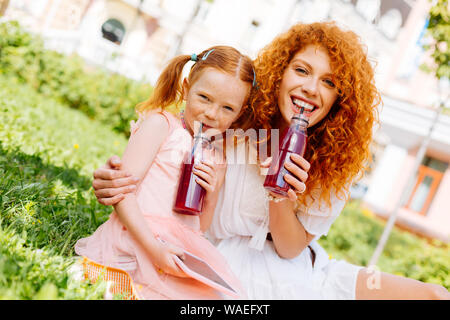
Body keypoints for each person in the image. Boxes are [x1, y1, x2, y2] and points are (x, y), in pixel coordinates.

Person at [90, 22, 450, 299]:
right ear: (280, 74)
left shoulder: (333, 164)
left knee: (436, 294)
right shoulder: (235, 124)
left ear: (340, 99)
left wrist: (283, 197)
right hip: (240, 270)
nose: (311, 88)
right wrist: (119, 177)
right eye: (302, 70)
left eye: (329, 82)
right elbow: (179, 139)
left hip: (300, 268)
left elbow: (291, 248)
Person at [75, 45, 258, 300]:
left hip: (176, 254)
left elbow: (198, 228)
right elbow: (121, 193)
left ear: (239, 114)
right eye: (204, 97)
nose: (212, 114)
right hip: (137, 240)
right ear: (185, 88)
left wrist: (213, 194)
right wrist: (154, 249)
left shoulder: (217, 157)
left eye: (228, 108)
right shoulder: (162, 126)